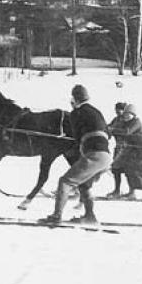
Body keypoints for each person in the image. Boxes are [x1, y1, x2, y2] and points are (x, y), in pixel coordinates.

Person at [39, 85, 112, 225]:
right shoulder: (96, 111)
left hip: (94, 154)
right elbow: (108, 133)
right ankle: (90, 217)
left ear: (74, 99)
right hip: (106, 156)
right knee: (84, 185)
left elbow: (76, 137)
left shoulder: (76, 113)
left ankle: (56, 216)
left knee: (65, 181)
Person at [106, 103, 142, 199]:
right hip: (130, 149)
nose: (126, 116)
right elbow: (111, 127)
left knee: (131, 169)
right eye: (125, 114)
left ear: (133, 115)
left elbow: (127, 132)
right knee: (117, 167)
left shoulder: (136, 122)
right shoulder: (121, 121)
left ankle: (131, 192)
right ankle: (118, 191)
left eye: (129, 114)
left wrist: (113, 130)